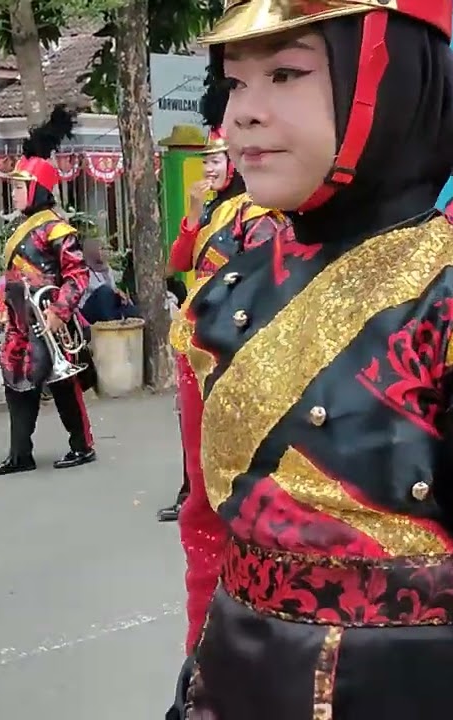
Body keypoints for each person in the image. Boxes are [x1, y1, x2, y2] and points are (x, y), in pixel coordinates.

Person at [169, 0, 453, 717]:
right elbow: (209, 539)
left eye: (286, 73)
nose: (242, 115)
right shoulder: (214, 303)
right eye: (235, 83)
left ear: (386, 80)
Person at [158, 109, 285, 524]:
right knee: (191, 423)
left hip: (232, 334)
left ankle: (224, 499)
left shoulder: (258, 212)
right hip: (196, 330)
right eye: (206, 160)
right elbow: (178, 262)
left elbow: (263, 275)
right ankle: (192, 491)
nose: (208, 167)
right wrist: (193, 214)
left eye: (215, 159)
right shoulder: (213, 212)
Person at [0, 105, 97, 477]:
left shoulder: (56, 228)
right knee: (17, 385)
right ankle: (20, 454)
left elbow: (78, 275)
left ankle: (82, 446)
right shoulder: (24, 227)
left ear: (38, 189)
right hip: (20, 319)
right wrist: (1, 307)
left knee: (64, 385)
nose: (14, 193)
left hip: (49, 318)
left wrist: (59, 311)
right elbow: (10, 274)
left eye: (19, 187)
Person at [79, 238, 139, 324]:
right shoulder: (82, 270)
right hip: (90, 311)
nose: (106, 252)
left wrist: (120, 296)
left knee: (132, 310)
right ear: (92, 251)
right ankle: (112, 327)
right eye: (102, 249)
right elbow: (94, 288)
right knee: (104, 292)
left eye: (108, 249)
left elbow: (113, 290)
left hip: (108, 309)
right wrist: (114, 292)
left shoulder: (107, 270)